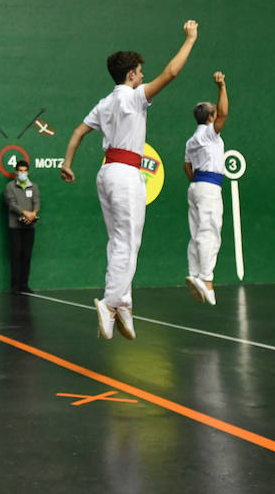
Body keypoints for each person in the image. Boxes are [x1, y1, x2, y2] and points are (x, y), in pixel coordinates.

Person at [62, 20, 198, 341]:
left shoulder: (105, 103)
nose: (142, 77)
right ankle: (111, 303)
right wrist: (190, 39)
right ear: (131, 75)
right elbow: (171, 74)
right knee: (128, 242)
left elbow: (79, 132)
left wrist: (68, 163)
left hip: (106, 173)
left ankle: (123, 306)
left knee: (118, 241)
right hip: (125, 175)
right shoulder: (132, 97)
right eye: (139, 72)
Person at [183, 72, 229, 306]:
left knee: (197, 232)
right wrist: (221, 86)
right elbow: (224, 113)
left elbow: (186, 166)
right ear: (210, 118)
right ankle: (207, 280)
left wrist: (197, 181)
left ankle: (195, 273)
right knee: (210, 232)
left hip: (196, 186)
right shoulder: (210, 134)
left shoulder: (192, 139)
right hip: (209, 187)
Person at [3, 159, 40, 295]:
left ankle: (24, 284)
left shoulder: (33, 187)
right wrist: (25, 213)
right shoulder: (10, 187)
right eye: (20, 171)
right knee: (16, 255)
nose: (23, 173)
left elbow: (36, 202)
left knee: (27, 256)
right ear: (16, 172)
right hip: (15, 227)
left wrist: (33, 214)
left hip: (30, 227)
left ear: (28, 172)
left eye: (25, 171)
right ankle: (15, 285)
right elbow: (12, 204)